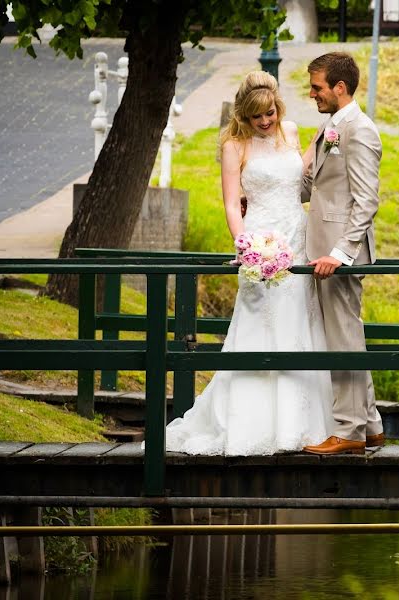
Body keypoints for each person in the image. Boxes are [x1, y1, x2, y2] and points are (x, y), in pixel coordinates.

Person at [163, 71, 333, 455]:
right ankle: (249, 420)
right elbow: (230, 202)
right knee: (259, 325)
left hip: (297, 237)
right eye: (257, 116)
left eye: (270, 113)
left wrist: (323, 142)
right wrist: (246, 247)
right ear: (244, 114)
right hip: (260, 240)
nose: (266, 121)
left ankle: (300, 424)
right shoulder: (234, 146)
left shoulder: (289, 131)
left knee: (298, 326)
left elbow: (299, 175)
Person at [300, 53, 385, 456]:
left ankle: (349, 431)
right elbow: (317, 185)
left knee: (343, 340)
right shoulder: (332, 126)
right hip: (325, 251)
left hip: (338, 256)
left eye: (317, 87)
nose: (312, 93)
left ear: (340, 88)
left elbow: (366, 202)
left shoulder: (359, 130)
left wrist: (340, 252)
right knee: (348, 335)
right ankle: (370, 426)